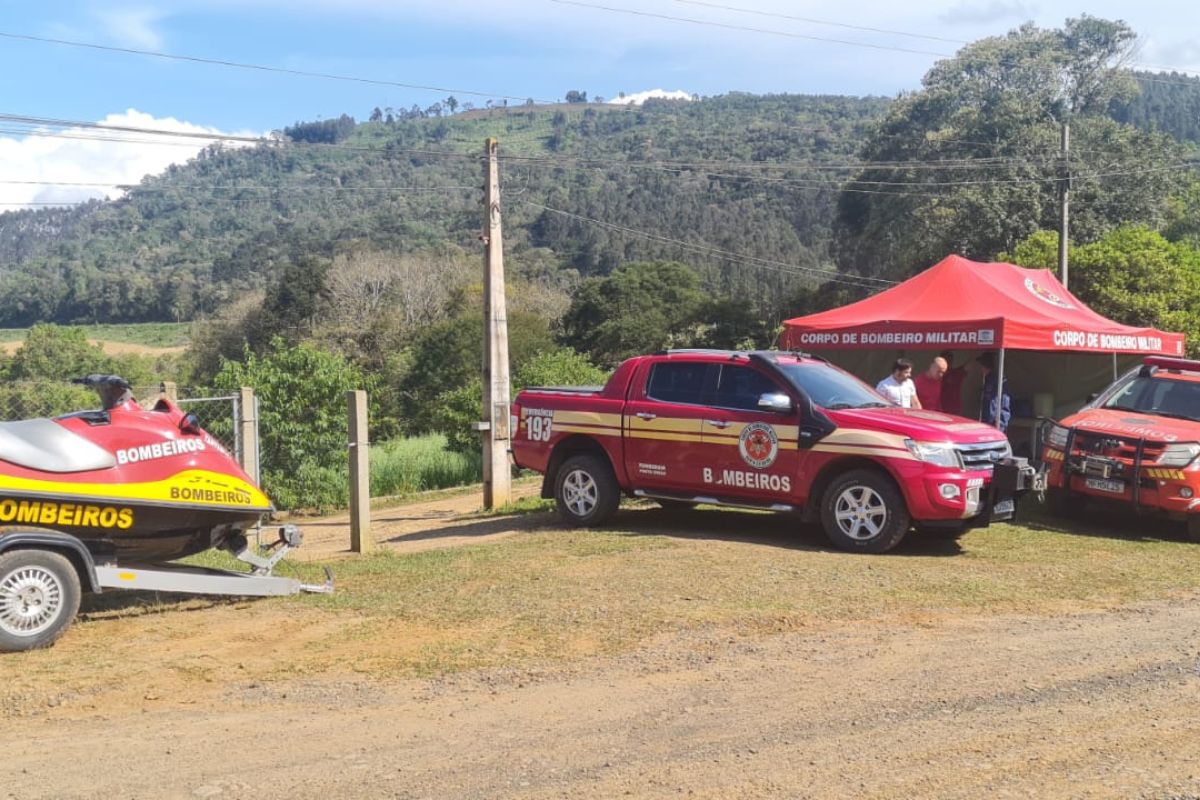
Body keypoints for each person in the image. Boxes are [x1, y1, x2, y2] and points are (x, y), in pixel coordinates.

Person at [976, 351, 1011, 431]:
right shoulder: (988, 379)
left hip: (995, 423)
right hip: (987, 422)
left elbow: (1004, 401)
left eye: (981, 365)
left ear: (984, 365)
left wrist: (1000, 424)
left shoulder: (999, 379)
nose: (980, 368)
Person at [939, 350, 968, 416]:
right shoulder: (936, 374)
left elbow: (968, 366)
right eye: (945, 360)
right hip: (940, 409)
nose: (948, 362)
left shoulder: (955, 373)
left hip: (954, 409)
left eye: (950, 360)